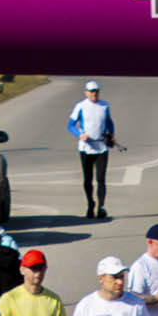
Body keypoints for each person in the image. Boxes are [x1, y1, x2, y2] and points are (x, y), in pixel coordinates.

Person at [68, 80, 115, 219]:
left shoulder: (104, 106)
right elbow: (70, 125)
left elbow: (109, 122)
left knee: (101, 179)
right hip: (86, 148)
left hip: (101, 148)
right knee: (87, 179)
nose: (94, 94)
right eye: (91, 91)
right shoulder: (80, 106)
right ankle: (90, 204)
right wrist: (80, 135)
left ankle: (101, 207)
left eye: (96, 91)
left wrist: (111, 135)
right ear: (86, 92)